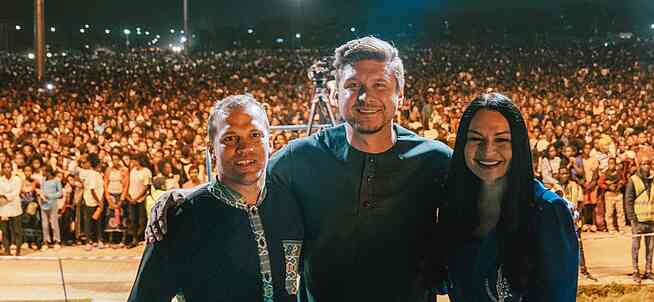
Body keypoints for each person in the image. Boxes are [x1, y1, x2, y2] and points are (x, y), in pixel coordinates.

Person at [147, 37, 453, 302]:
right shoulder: (301, 157)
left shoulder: (436, 160)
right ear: (336, 95)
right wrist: (185, 196)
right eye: (353, 86)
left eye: (379, 85)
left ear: (400, 96)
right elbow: (246, 180)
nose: (365, 97)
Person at [128, 95, 304, 302]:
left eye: (255, 135)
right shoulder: (178, 220)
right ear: (211, 149)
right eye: (230, 138)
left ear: (270, 142)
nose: (244, 147)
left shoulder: (294, 204)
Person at [439, 93, 578, 302]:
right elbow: (442, 282)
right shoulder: (455, 209)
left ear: (519, 146)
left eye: (502, 140)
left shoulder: (548, 212)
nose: (488, 151)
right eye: (476, 139)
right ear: (462, 145)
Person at [624, 156, 654, 283]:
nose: (646, 166)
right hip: (638, 220)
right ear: (639, 165)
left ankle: (648, 270)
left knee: (650, 248)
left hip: (651, 219)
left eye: (648, 164)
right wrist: (632, 218)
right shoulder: (633, 180)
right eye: (644, 163)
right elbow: (628, 200)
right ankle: (636, 271)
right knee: (636, 247)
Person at [0, 162, 24, 256]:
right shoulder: (0, 180)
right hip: (3, 207)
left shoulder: (17, 179)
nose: (7, 169)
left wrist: (5, 196)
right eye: (5, 167)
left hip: (15, 206)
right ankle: (7, 249)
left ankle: (18, 249)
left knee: (17, 230)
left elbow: (16, 192)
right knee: (5, 230)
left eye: (8, 167)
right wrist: (4, 197)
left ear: (11, 168)